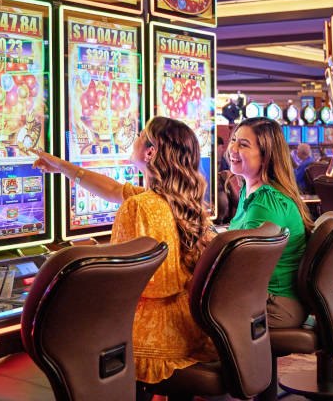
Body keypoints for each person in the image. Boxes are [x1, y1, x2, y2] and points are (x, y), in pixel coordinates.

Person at [32, 117, 216, 388]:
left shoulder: (139, 207)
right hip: (187, 329)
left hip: (146, 341)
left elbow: (118, 286)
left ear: (150, 152)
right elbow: (114, 189)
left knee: (59, 337)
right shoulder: (183, 202)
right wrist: (62, 167)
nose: (135, 139)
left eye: (140, 135)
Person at [226, 117, 312, 328]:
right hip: (260, 296)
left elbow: (245, 268)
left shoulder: (266, 202)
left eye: (243, 144)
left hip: (275, 303)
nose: (232, 148)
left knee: (190, 310)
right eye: (234, 140)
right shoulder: (251, 190)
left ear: (266, 157)